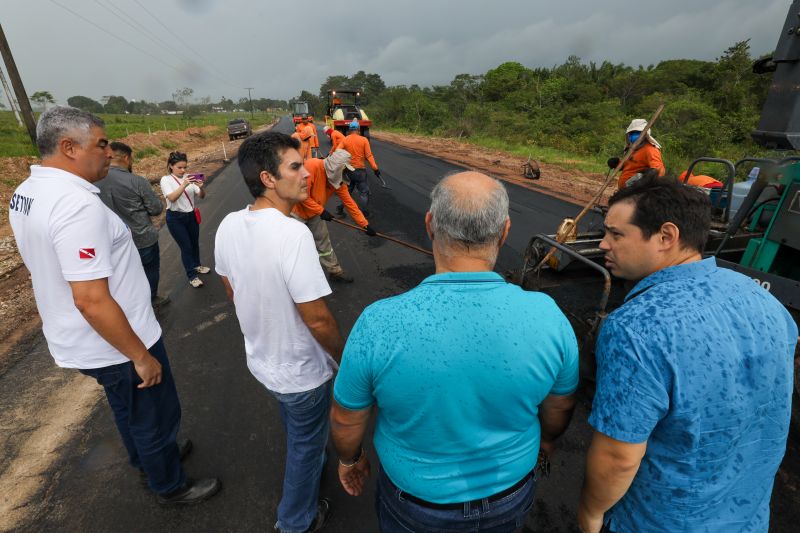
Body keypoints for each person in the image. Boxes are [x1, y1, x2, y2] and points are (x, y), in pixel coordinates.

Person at [331, 171, 579, 532]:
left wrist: (350, 459)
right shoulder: (548, 316)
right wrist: (549, 442)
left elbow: (345, 419)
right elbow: (560, 406)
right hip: (509, 494)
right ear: (505, 230)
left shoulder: (379, 323)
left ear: (430, 225)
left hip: (417, 504)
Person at [8, 106, 220, 505]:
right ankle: (170, 484)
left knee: (128, 408)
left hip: (80, 337)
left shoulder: (27, 192)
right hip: (117, 340)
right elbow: (90, 298)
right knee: (155, 413)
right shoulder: (76, 206)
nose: (110, 152)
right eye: (101, 144)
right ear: (69, 147)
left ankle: (149, 460)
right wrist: (140, 355)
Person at [577, 175, 798, 533]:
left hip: (661, 520)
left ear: (666, 237)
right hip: (748, 517)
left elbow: (618, 457)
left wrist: (590, 514)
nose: (603, 244)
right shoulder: (765, 301)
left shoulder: (636, 328)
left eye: (616, 234)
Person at [214, 131, 344, 533]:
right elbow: (317, 318)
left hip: (264, 363)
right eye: (295, 166)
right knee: (304, 447)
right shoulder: (292, 234)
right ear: (268, 178)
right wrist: (344, 359)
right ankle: (295, 521)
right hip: (302, 371)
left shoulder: (230, 224)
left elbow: (230, 286)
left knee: (299, 428)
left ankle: (313, 471)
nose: (306, 173)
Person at [96, 141, 168, 308]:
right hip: (143, 239)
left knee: (124, 276)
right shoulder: (137, 181)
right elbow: (156, 209)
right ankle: (151, 300)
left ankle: (130, 305)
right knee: (149, 271)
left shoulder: (94, 183)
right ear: (126, 158)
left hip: (111, 243)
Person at [291, 149, 378, 284]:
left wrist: (365, 225)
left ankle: (335, 272)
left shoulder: (337, 181)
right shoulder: (311, 166)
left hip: (315, 214)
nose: (345, 173)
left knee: (324, 244)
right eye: (343, 170)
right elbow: (300, 195)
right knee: (295, 246)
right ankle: (294, 277)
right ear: (336, 167)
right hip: (295, 212)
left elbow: (350, 203)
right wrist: (321, 211)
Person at [159, 151, 210, 288]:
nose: (183, 170)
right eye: (179, 167)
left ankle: (197, 265)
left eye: (184, 167)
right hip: (176, 218)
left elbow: (202, 196)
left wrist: (201, 187)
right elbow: (172, 198)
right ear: (171, 166)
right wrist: (184, 185)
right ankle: (192, 276)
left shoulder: (189, 178)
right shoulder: (166, 180)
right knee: (186, 247)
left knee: (194, 243)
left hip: (191, 215)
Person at [336, 119, 381, 218]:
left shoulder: (345, 139)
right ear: (358, 129)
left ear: (349, 129)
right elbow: (369, 156)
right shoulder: (364, 140)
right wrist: (375, 169)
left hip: (348, 171)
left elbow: (337, 151)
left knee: (347, 191)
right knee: (364, 192)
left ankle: (340, 207)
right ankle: (364, 212)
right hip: (360, 171)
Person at [607, 118, 665, 188]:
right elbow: (628, 165)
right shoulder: (632, 149)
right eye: (632, 133)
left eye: (637, 133)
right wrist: (617, 163)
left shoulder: (651, 149)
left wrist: (645, 177)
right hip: (624, 190)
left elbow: (659, 170)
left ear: (645, 134)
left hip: (636, 192)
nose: (634, 135)